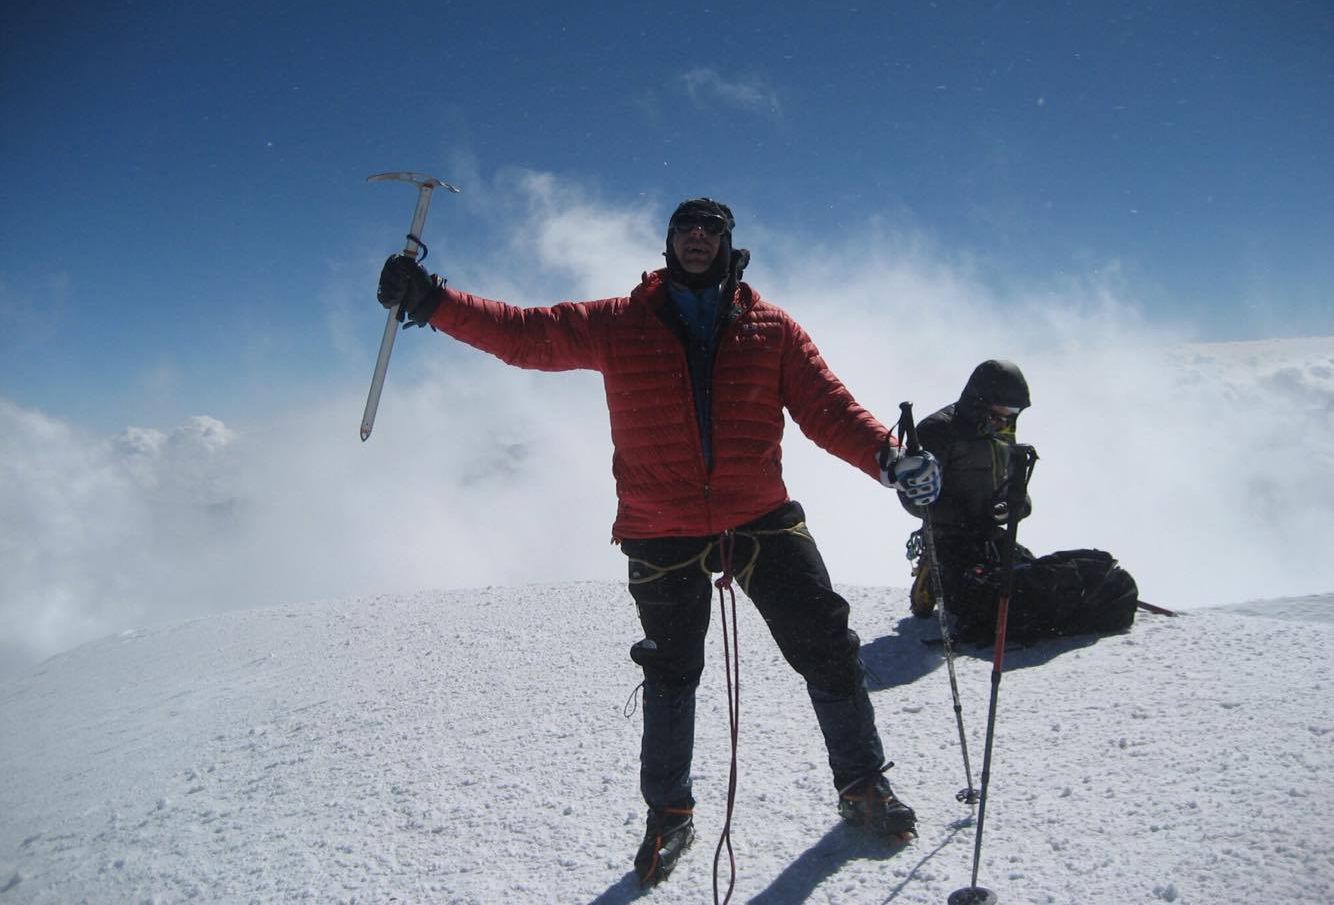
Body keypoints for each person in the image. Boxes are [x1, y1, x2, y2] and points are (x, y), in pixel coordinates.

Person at [377, 197, 941, 884]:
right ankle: (669, 814)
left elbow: (826, 406)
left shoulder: (772, 329)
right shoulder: (621, 322)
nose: (698, 237)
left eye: (712, 229)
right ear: (669, 242)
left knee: (826, 645)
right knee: (672, 675)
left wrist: (889, 456)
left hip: (757, 513)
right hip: (660, 523)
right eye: (686, 228)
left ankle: (862, 784)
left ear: (730, 243)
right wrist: (433, 301)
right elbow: (528, 335)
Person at [903, 360, 1138, 644]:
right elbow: (913, 497)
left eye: (1014, 414)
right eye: (1002, 413)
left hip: (991, 537)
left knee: (1041, 584)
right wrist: (969, 514)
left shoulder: (1001, 432)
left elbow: (1016, 492)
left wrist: (1012, 507)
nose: (1007, 421)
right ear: (980, 402)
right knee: (1001, 603)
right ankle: (934, 570)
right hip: (950, 543)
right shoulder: (938, 431)